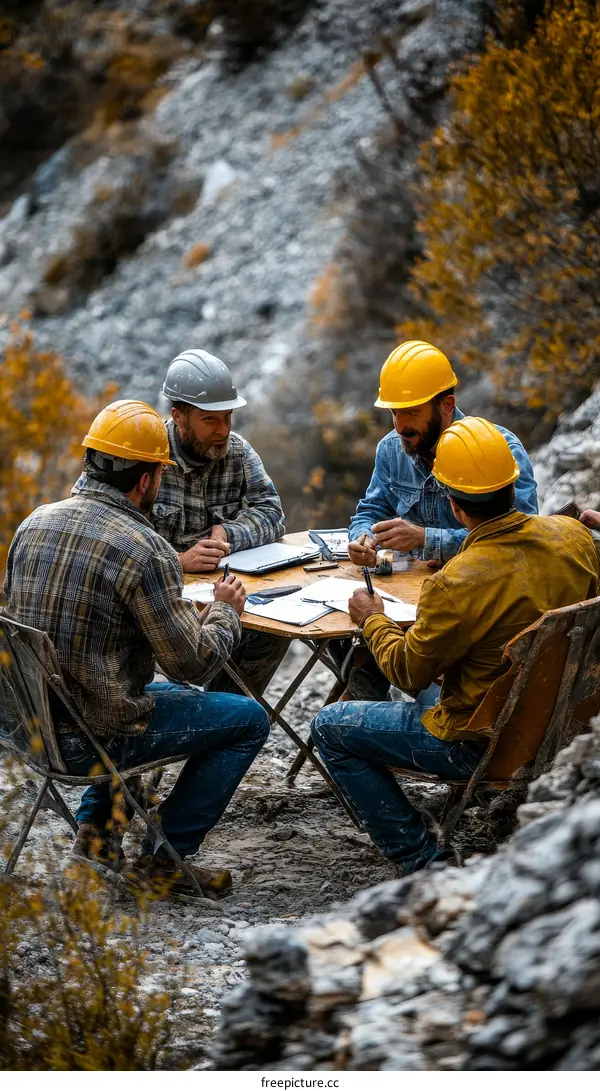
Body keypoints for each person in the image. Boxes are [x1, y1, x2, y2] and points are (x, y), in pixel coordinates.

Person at [4, 399, 270, 900]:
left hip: (28, 726)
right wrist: (225, 612)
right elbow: (193, 665)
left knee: (122, 690)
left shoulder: (33, 523)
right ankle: (165, 859)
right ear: (147, 479)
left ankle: (97, 838)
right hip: (87, 740)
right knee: (249, 720)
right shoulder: (144, 548)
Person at [311, 417, 599, 877]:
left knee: (329, 725)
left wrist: (372, 619)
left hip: (481, 744)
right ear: (513, 486)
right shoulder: (575, 537)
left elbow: (406, 672)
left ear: (452, 503)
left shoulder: (456, 582)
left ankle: (422, 859)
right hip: (563, 722)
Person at [342, 339, 538, 701]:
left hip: (475, 611)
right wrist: (363, 538)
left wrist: (426, 538)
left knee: (385, 658)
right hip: (407, 599)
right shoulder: (391, 449)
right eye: (394, 413)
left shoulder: (499, 451)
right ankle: (367, 714)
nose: (400, 425)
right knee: (353, 644)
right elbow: (370, 510)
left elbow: (519, 542)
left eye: (411, 412)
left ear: (446, 405)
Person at [152, 347, 289, 696]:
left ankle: (227, 714)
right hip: (158, 600)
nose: (223, 430)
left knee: (272, 632)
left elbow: (272, 513)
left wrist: (230, 532)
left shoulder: (238, 452)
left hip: (223, 591)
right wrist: (177, 561)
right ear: (178, 416)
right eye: (210, 420)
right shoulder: (148, 455)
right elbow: (110, 533)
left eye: (228, 417)